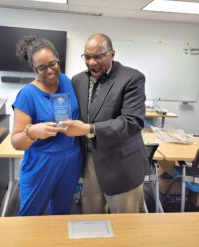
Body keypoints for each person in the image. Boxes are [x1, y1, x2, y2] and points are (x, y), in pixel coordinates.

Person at [60, 33, 149, 214]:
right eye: (87, 56)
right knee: (91, 219)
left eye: (98, 56)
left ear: (112, 54)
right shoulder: (78, 80)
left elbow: (132, 122)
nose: (92, 62)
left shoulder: (132, 78)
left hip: (121, 166)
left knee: (125, 225)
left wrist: (89, 129)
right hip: (91, 162)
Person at [11, 35, 82, 216]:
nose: (50, 71)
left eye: (53, 63)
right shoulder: (27, 95)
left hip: (71, 160)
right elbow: (16, 142)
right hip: (41, 163)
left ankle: (55, 245)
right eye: (42, 67)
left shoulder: (66, 82)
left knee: (61, 213)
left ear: (58, 59)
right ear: (33, 68)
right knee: (29, 215)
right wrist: (32, 132)